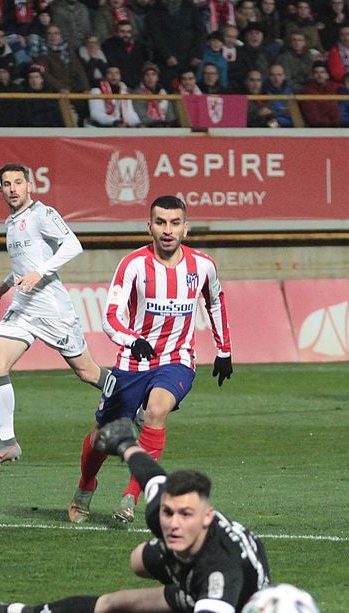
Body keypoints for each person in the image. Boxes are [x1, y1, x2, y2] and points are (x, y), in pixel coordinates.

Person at [0, 416, 271, 613]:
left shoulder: (222, 566)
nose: (173, 523)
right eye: (168, 513)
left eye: (185, 515)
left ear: (207, 517)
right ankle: (8, 612)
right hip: (188, 567)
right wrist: (125, 444)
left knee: (125, 607)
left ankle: (157, 604)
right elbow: (152, 476)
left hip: (221, 601)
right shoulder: (165, 513)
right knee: (135, 565)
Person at [67, 195, 231, 524]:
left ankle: (131, 496)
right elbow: (110, 317)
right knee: (101, 437)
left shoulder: (203, 266)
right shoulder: (132, 265)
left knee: (156, 411)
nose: (167, 230)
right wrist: (132, 340)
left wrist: (224, 350)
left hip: (178, 359)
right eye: (160, 222)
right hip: (132, 363)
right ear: (149, 227)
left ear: (186, 228)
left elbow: (215, 303)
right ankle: (85, 486)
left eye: (174, 223)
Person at [0, 164, 111, 470]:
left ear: (29, 186)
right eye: (7, 184)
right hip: (24, 307)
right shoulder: (11, 223)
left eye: (18, 183)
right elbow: (25, 264)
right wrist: (6, 284)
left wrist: (40, 273)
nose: (12, 188)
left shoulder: (43, 214)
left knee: (88, 373)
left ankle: (135, 398)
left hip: (52, 307)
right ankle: (7, 442)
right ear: (0, 190)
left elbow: (73, 245)